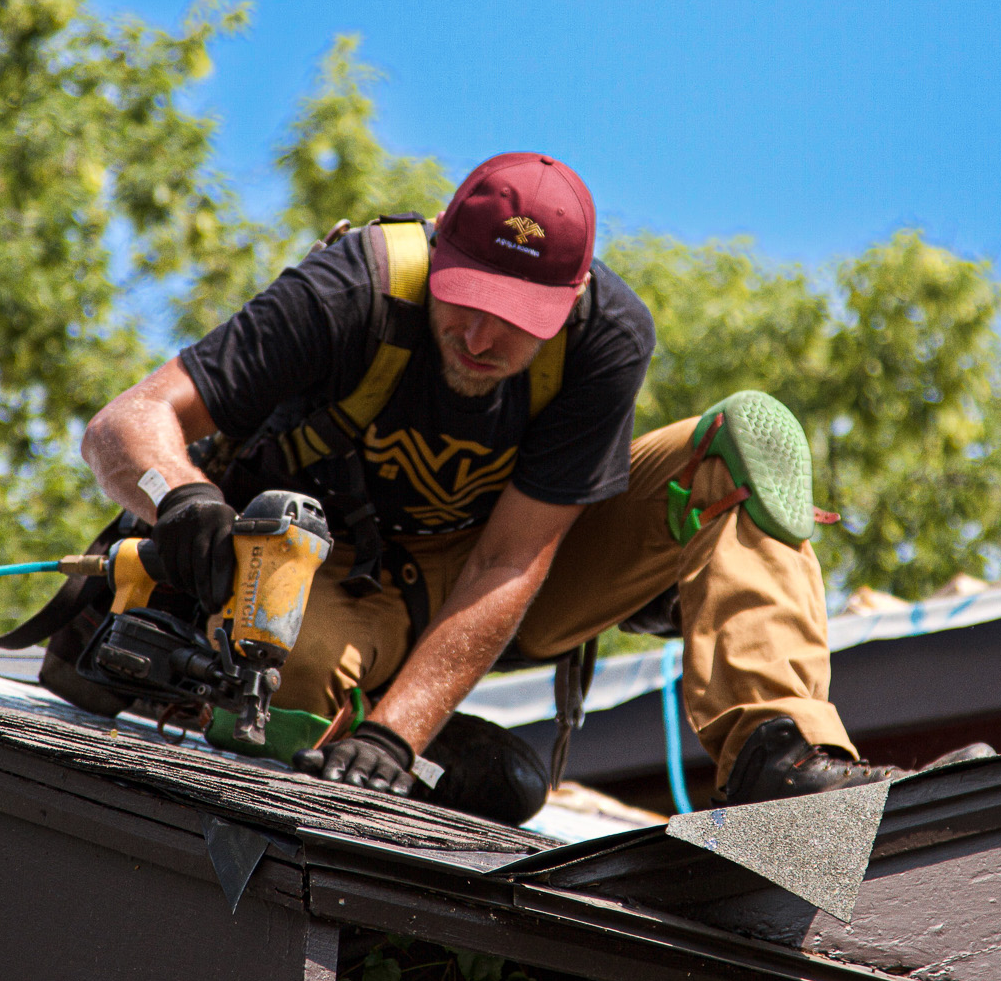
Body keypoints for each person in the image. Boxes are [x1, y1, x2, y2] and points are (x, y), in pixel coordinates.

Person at [75, 152, 887, 818]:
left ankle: (779, 772)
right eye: (465, 299)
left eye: (516, 316)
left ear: (569, 304)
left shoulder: (607, 338)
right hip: (325, 573)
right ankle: (392, 734)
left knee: (742, 444)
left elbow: (510, 560)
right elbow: (127, 422)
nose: (480, 335)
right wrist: (181, 497)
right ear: (440, 258)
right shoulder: (352, 288)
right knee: (283, 675)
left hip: (504, 576)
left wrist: (400, 736)